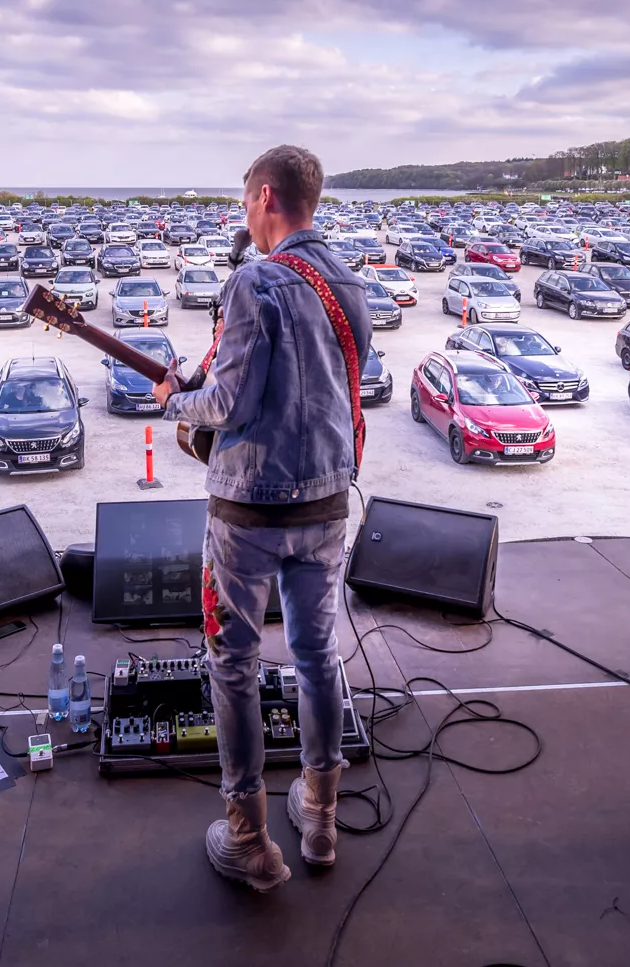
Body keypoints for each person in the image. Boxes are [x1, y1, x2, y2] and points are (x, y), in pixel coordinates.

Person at [152, 145, 371, 892]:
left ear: (268, 196)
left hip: (247, 513)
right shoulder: (348, 282)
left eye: (247, 202)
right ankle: (320, 820)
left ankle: (249, 840)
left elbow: (230, 404)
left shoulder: (254, 279)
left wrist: (177, 401)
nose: (245, 215)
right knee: (317, 657)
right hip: (327, 505)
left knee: (234, 665)